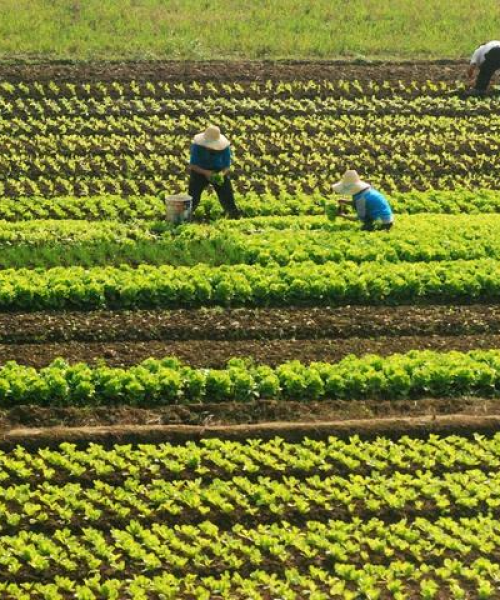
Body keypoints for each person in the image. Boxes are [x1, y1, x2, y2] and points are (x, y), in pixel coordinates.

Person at [188, 125, 241, 218]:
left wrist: (220, 174)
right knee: (193, 195)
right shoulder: (197, 147)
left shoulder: (225, 148)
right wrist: (206, 173)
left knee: (226, 193)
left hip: (218, 171)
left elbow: (227, 166)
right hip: (200, 170)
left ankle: (233, 214)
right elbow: (192, 165)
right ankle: (187, 215)